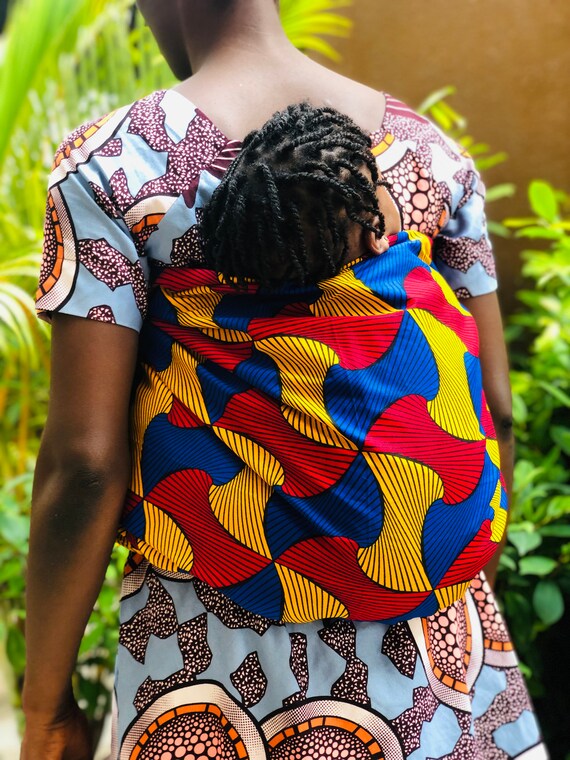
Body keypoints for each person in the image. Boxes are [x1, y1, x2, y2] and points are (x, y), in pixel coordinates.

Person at [22, 2, 547, 759]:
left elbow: (85, 464)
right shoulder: (434, 159)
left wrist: (46, 710)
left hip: (214, 653)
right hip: (436, 652)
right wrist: (434, 573)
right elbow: (495, 406)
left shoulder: (112, 167)